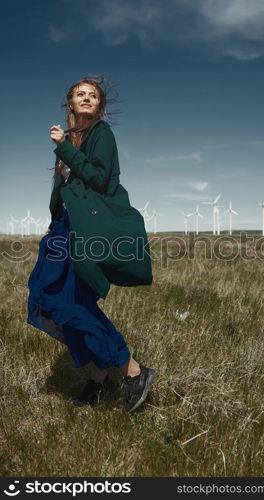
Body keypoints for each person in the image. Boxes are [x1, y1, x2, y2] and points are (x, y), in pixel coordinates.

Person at [27, 76, 156, 412]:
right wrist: (53, 223)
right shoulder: (73, 138)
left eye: (92, 95)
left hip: (84, 231)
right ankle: (101, 376)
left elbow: (99, 178)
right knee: (47, 294)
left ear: (100, 105)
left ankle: (131, 371)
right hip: (63, 229)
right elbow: (64, 193)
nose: (86, 99)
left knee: (69, 302)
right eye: (80, 94)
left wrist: (64, 147)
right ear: (71, 102)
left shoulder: (100, 135)